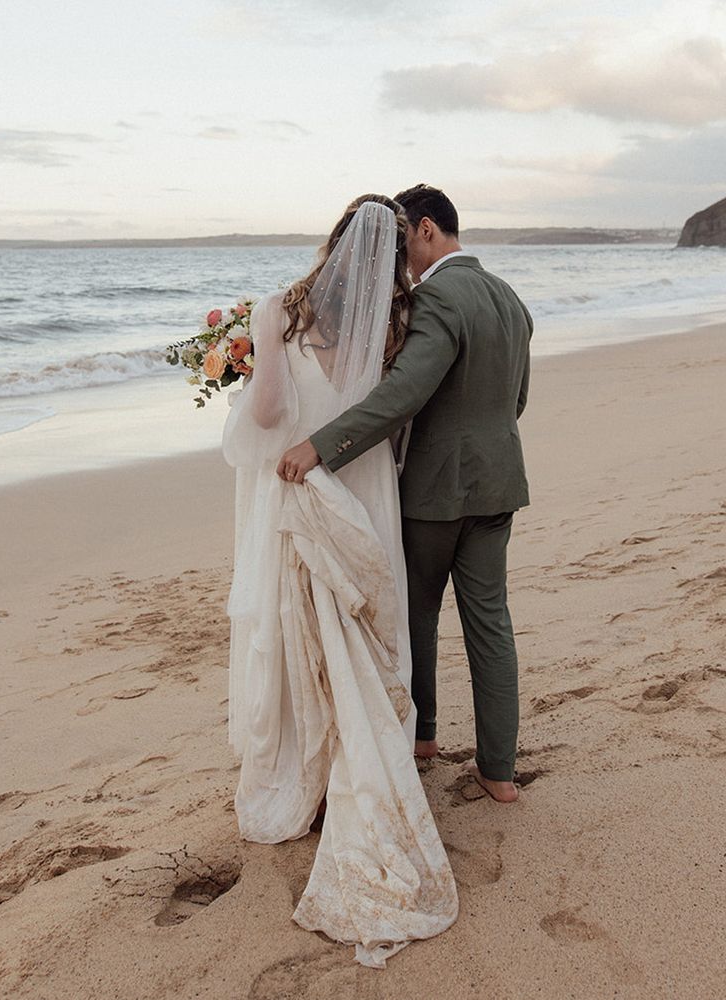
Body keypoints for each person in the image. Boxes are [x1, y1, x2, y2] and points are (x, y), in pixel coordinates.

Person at [222, 195, 458, 967]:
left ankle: (308, 783)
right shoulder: (394, 327)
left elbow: (268, 415)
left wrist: (239, 373)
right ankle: (354, 766)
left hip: (299, 493)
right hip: (363, 496)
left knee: (295, 636)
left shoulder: (278, 311)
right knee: (358, 634)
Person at [277, 184, 533, 805]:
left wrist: (321, 444)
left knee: (417, 616)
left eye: (404, 244)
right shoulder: (508, 296)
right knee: (490, 625)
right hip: (499, 481)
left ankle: (422, 740)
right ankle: (499, 771)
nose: (402, 263)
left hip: (437, 491)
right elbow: (515, 397)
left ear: (425, 229)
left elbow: (403, 396)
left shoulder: (439, 298)